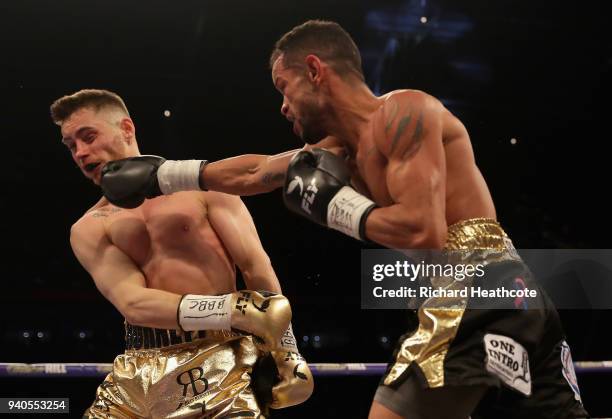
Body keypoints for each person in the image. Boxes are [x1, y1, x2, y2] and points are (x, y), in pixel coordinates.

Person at [99, 20, 588, 419]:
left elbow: (424, 232)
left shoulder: (404, 112)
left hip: (475, 279)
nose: (282, 105)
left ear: (314, 69)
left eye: (283, 86)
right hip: (514, 292)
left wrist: (337, 206)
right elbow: (254, 171)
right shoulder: (338, 151)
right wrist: (165, 175)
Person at [50, 89, 313, 418]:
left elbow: (256, 268)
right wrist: (232, 309)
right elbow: (133, 302)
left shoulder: (202, 189)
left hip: (219, 360)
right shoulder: (90, 227)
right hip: (138, 368)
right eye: (71, 145)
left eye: (88, 137)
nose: (80, 152)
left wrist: (287, 352)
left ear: (127, 129)